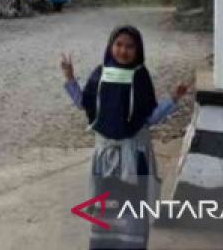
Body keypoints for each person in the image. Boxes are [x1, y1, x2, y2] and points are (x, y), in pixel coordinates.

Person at [60, 25, 189, 250]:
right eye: (118, 44)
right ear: (111, 46)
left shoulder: (140, 77)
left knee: (133, 212)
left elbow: (149, 118)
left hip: (133, 157)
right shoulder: (100, 74)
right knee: (105, 213)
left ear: (138, 50)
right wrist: (70, 78)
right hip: (105, 159)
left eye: (130, 46)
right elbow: (83, 103)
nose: (123, 50)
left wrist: (173, 99)